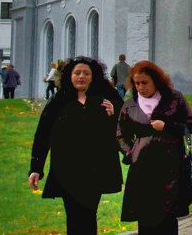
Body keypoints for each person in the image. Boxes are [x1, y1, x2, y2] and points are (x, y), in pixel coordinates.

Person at [28, 56, 123, 235]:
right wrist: (36, 168)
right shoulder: (59, 101)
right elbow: (42, 135)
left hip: (95, 169)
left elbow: (123, 128)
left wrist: (114, 115)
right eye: (77, 73)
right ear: (69, 76)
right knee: (73, 216)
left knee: (88, 214)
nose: (81, 76)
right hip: (67, 169)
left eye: (86, 73)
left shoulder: (106, 99)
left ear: (93, 76)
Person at [118, 60, 192, 235]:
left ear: (156, 80)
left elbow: (189, 125)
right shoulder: (130, 105)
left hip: (170, 167)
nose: (140, 87)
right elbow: (120, 135)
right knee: (145, 218)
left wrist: (167, 126)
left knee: (167, 218)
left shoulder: (174, 98)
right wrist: (130, 153)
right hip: (142, 169)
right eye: (137, 83)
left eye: (145, 83)